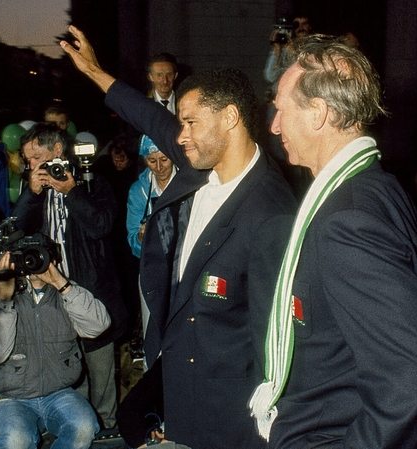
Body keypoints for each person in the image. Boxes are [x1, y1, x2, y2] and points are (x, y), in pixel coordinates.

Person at [61, 25, 297, 449]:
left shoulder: (270, 212)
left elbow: (273, 340)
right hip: (174, 380)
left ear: (229, 117)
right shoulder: (199, 162)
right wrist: (95, 71)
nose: (179, 134)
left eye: (190, 122)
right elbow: (148, 114)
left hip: (228, 414)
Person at [249, 34, 417, 448]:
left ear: (318, 113)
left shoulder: (346, 219)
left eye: (281, 110)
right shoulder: (383, 188)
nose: (273, 125)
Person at [13, 122, 127, 433]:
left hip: (94, 295)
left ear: (58, 151)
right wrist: (32, 196)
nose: (32, 165)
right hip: (53, 298)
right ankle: (76, 433)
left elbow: (100, 225)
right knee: (70, 380)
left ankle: (106, 431)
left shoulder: (93, 183)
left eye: (36, 157)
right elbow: (16, 231)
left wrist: (72, 191)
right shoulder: (34, 190)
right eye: (28, 159)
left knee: (102, 378)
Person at [0, 252, 111, 449]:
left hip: (58, 391)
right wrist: (3, 299)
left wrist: (61, 284)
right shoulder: (0, 293)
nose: (33, 263)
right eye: (26, 258)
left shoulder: (67, 292)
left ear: (54, 260)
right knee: (15, 440)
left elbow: (99, 326)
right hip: (12, 397)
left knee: (84, 427)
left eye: (40, 255)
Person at [126, 135, 177, 260]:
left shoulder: (188, 184)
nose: (159, 167)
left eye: (164, 159)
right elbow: (135, 247)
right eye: (152, 161)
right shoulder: (138, 191)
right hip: (155, 262)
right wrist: (140, 238)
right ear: (144, 160)